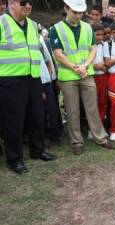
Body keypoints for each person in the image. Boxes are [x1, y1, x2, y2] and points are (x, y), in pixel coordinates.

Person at [50, 0, 115, 155]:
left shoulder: (87, 28)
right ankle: (77, 141)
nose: (78, 15)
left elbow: (93, 49)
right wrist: (75, 67)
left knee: (92, 107)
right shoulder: (56, 29)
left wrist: (85, 65)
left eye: (80, 12)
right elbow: (58, 54)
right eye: (74, 12)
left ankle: (100, 138)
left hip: (86, 73)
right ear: (66, 9)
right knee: (72, 110)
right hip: (68, 76)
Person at [0, 0, 57, 174]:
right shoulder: (2, 22)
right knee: (14, 121)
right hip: (10, 78)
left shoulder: (33, 25)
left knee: (37, 115)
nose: (28, 5)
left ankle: (37, 150)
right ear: (11, 4)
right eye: (23, 2)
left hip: (33, 77)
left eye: (30, 2)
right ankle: (14, 159)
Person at [92, 23, 108, 126]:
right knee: (92, 103)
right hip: (92, 77)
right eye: (97, 35)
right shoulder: (89, 45)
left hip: (102, 77)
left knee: (102, 102)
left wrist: (101, 66)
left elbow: (106, 61)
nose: (99, 37)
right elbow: (89, 63)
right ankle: (91, 128)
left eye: (101, 35)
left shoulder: (104, 44)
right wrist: (97, 66)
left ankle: (101, 125)